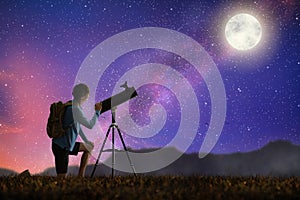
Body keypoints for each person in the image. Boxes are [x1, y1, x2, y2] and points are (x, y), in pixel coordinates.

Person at [52, 83, 102, 178]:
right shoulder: (75, 110)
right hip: (61, 147)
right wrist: (97, 112)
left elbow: (77, 128)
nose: (87, 99)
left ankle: (80, 176)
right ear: (83, 96)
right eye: (87, 97)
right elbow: (90, 125)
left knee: (88, 147)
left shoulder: (71, 105)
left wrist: (86, 141)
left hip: (65, 145)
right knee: (61, 178)